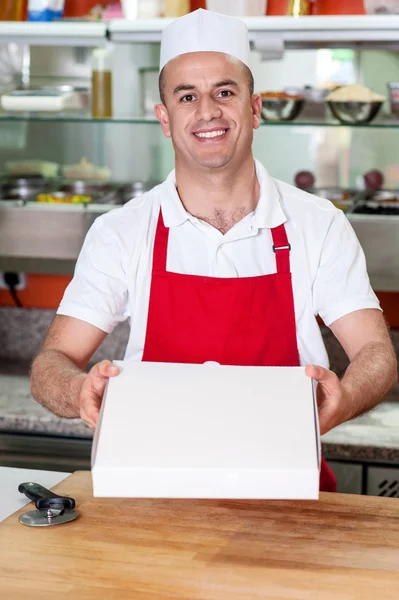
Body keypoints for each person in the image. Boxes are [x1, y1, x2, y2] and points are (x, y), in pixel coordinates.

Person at [31, 9, 397, 491]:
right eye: (187, 96)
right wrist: (79, 391)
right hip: (152, 490)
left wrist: (344, 397)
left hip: (286, 489)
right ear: (165, 118)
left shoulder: (318, 223)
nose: (208, 111)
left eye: (225, 92)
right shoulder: (122, 231)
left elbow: (376, 351)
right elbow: (49, 363)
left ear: (255, 108)